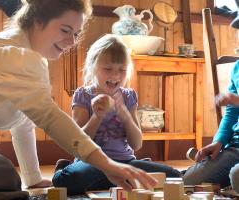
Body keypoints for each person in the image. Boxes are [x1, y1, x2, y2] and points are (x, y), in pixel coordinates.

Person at [0, 0, 157, 191]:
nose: (72, 42)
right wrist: (107, 165)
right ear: (38, 21)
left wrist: (33, 179)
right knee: (3, 176)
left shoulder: (27, 51)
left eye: (76, 34)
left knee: (1, 175)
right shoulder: (15, 56)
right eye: (65, 30)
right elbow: (50, 118)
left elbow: (25, 120)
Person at [52, 34, 181, 195]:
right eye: (108, 69)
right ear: (93, 67)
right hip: (93, 164)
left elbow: (136, 144)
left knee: (175, 176)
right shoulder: (83, 95)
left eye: (122, 70)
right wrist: (97, 116)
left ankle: (117, 178)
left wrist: (125, 115)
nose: (115, 76)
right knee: (67, 181)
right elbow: (77, 144)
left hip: (125, 162)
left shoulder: (128, 96)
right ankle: (66, 167)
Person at [183, 61, 239, 193]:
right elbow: (231, 113)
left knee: (236, 175)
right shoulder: (237, 67)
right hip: (236, 147)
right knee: (189, 181)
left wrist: (236, 100)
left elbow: (235, 101)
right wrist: (218, 141)